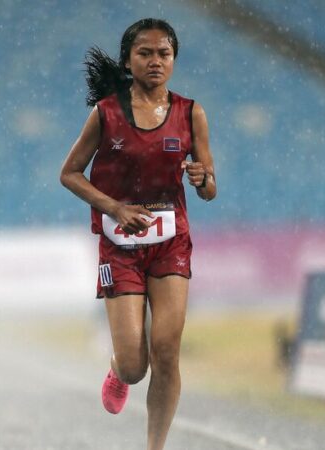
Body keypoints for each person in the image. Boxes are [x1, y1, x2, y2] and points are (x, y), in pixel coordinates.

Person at [59, 18, 217, 450]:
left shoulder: (191, 113)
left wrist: (202, 178)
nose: (155, 61)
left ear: (174, 60)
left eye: (163, 53)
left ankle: (154, 447)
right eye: (145, 53)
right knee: (136, 366)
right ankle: (117, 368)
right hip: (120, 247)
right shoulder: (107, 113)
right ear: (129, 59)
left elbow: (209, 189)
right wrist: (114, 207)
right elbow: (69, 174)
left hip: (170, 244)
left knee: (167, 351)